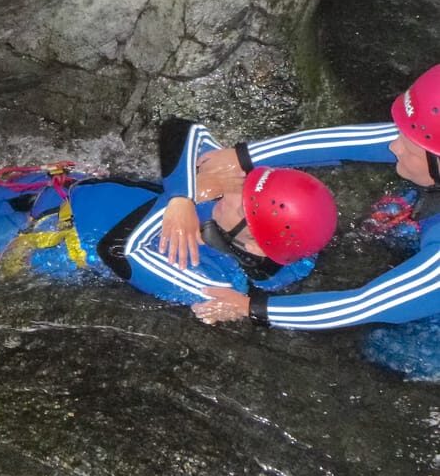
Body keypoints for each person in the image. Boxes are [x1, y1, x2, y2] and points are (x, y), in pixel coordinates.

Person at [0, 119, 338, 307]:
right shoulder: (286, 226)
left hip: (47, 237)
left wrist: (179, 200)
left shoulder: (214, 285)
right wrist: (182, 197)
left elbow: (117, 249)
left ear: (256, 239)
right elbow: (181, 129)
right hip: (63, 190)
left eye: (241, 200)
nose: (234, 189)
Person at [182, 64, 440, 330]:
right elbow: (351, 142)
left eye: (408, 148)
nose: (393, 146)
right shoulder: (429, 145)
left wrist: (251, 308)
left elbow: (364, 305)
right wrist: (243, 157)